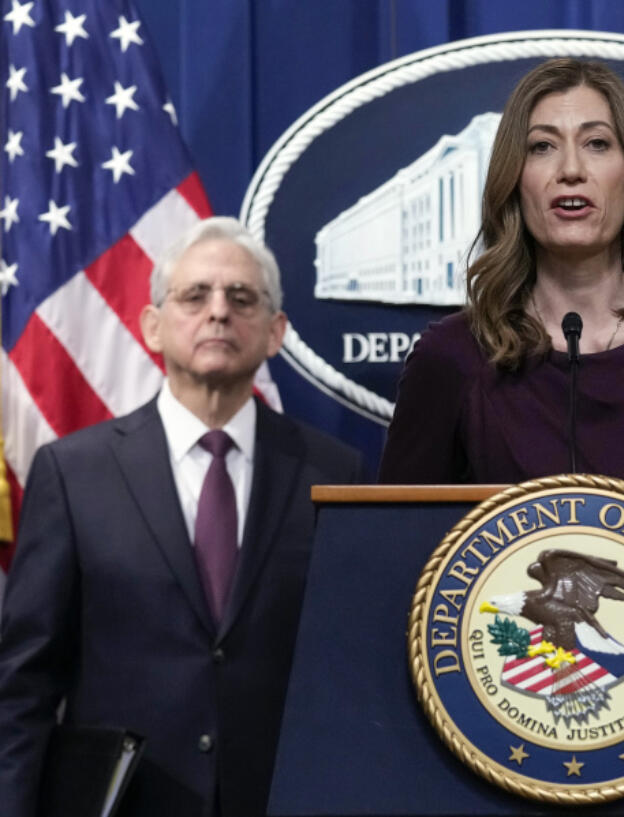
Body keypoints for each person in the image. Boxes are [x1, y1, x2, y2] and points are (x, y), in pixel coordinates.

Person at [0, 217, 364, 817]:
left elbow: (351, 670)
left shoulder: (334, 474)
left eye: (241, 298)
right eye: (195, 295)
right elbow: (23, 685)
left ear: (275, 333)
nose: (218, 312)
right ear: (151, 325)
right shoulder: (73, 473)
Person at [377, 59, 624, 484]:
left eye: (597, 143)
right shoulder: (451, 357)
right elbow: (400, 543)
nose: (571, 171)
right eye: (542, 147)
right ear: (513, 180)